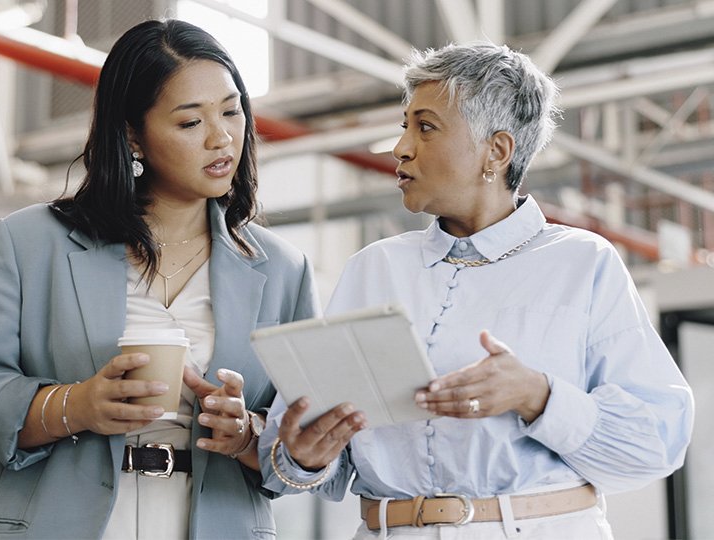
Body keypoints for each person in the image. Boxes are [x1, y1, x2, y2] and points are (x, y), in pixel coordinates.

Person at [259, 42, 694, 539]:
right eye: (405, 126)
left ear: (497, 150)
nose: (401, 147)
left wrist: (538, 396)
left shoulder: (582, 263)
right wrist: (305, 457)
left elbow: (655, 446)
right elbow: (295, 462)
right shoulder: (372, 269)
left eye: (425, 127)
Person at [0, 19, 319, 539]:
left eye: (231, 110)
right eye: (190, 123)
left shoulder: (282, 268)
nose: (222, 136)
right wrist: (76, 405)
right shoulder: (29, 242)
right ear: (133, 134)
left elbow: (311, 449)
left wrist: (247, 435)